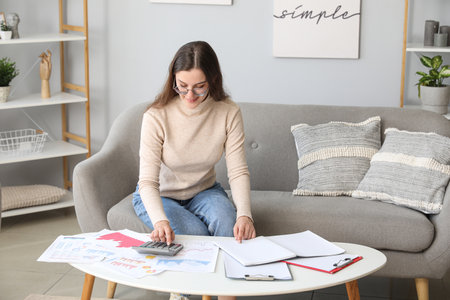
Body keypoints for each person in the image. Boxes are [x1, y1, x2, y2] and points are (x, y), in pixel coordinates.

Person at [132, 41, 256, 300]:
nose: (189, 95)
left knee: (229, 222)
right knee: (195, 236)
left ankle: (226, 295)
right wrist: (160, 220)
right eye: (182, 86)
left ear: (213, 80)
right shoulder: (156, 116)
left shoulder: (228, 112)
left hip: (205, 190)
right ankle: (183, 293)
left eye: (199, 87)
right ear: (173, 81)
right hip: (162, 194)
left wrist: (245, 215)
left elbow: (238, 171)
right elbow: (147, 182)